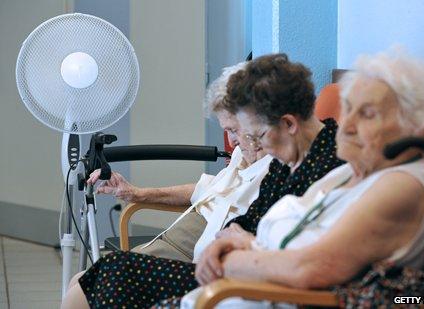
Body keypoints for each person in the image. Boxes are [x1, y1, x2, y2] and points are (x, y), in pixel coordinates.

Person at [61, 54, 343, 308]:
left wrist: (240, 246)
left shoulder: (327, 168)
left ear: (288, 124)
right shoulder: (289, 158)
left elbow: (297, 253)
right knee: (103, 275)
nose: (252, 146)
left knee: (114, 273)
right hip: (228, 265)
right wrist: (229, 240)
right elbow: (250, 218)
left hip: (245, 280)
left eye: (255, 136)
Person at [182, 48, 424, 308]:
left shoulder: (401, 184)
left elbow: (308, 268)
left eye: (367, 114)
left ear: (414, 123)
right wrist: (243, 244)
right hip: (242, 292)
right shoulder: (347, 175)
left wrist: (226, 259)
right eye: (348, 109)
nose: (348, 125)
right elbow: (287, 244)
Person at [87, 61, 273, 263]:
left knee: (98, 277)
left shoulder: (276, 170)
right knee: (85, 280)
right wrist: (135, 193)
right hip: (176, 237)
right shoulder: (243, 153)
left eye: (233, 130)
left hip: (199, 253)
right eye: (227, 131)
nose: (230, 141)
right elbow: (208, 189)